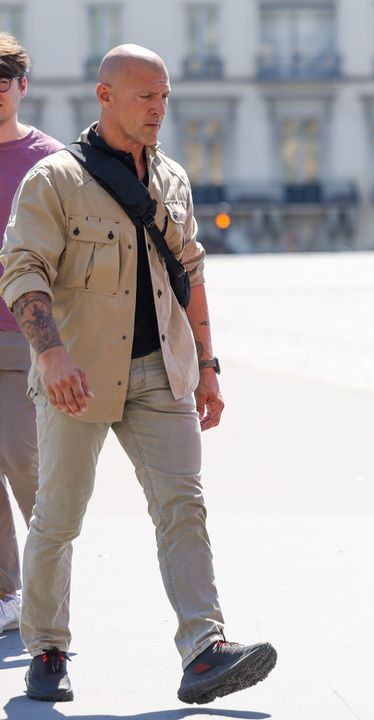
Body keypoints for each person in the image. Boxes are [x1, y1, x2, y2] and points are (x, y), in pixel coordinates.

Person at [0, 44, 275, 705]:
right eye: (145, 96)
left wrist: (207, 367)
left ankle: (204, 649)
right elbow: (22, 270)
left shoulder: (171, 179)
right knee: (58, 518)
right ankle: (47, 645)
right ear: (105, 96)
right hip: (80, 374)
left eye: (165, 96)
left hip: (161, 372)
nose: (158, 109)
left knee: (183, 504)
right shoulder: (55, 180)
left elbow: (191, 273)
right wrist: (52, 354)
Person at [0, 32, 59, 636]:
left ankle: (49, 574)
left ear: (22, 87)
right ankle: (6, 593)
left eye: (4, 81)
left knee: (22, 456)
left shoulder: (48, 160)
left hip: (26, 330)